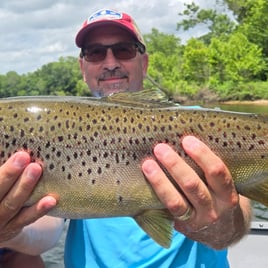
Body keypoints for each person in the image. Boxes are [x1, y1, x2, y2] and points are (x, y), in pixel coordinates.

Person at [0, 8, 251, 268]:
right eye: (95, 53)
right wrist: (8, 230)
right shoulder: (56, 128)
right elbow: (45, 226)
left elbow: (239, 217)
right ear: (82, 67)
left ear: (144, 62)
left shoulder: (199, 129)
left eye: (123, 50)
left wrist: (221, 223)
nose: (110, 63)